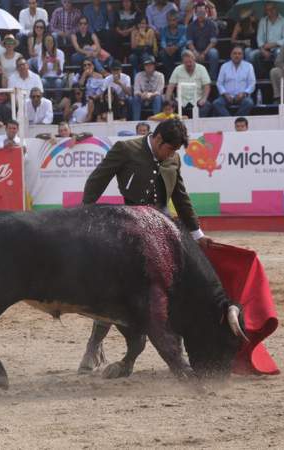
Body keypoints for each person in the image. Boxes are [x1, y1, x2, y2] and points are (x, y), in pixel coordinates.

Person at [76, 118, 214, 373]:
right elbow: (98, 179)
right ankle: (94, 345)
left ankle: (178, 349)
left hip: (163, 228)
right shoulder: (126, 149)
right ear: (158, 139)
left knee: (176, 288)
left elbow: (180, 197)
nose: (171, 154)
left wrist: (197, 233)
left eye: (174, 151)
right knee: (115, 289)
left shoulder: (172, 159)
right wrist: (85, 214)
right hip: (130, 226)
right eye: (169, 149)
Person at [166, 50, 211, 117]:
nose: (188, 64)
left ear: (194, 60)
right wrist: (168, 99)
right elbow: (171, 86)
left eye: (190, 62)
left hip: (197, 99)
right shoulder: (177, 69)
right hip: (181, 100)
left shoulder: (202, 69)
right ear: (182, 62)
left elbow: (207, 85)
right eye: (186, 62)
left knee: (207, 105)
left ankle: (198, 125)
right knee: (170, 106)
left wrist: (204, 99)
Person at [213, 45, 256, 117]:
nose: (237, 55)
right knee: (216, 103)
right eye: (235, 53)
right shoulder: (224, 66)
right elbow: (219, 83)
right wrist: (225, 94)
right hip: (227, 97)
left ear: (243, 55)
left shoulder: (249, 66)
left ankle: (237, 120)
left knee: (249, 103)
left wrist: (244, 93)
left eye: (239, 54)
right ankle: (229, 120)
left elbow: (252, 83)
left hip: (243, 96)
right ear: (231, 55)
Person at [250, 2, 284, 75]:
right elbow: (259, 38)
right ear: (265, 11)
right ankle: (262, 76)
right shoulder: (263, 21)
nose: (270, 11)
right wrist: (262, 50)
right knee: (252, 55)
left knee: (278, 52)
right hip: (264, 48)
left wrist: (273, 44)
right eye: (268, 9)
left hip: (279, 48)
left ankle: (279, 76)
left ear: (276, 9)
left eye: (272, 8)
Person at [185, 2, 219, 80]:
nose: (201, 14)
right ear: (195, 13)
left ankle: (212, 78)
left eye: (203, 12)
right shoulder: (191, 26)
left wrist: (204, 53)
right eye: (199, 12)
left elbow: (213, 41)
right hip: (195, 50)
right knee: (187, 53)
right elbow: (189, 42)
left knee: (214, 53)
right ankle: (192, 78)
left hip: (208, 50)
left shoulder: (211, 24)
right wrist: (195, 53)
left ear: (206, 12)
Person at [131, 56, 166, 121]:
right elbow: (136, 90)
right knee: (135, 98)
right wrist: (142, 94)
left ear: (154, 65)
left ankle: (157, 120)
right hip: (142, 97)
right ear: (143, 66)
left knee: (158, 98)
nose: (149, 66)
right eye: (146, 65)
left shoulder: (160, 75)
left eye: (151, 64)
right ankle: (135, 121)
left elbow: (160, 91)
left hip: (154, 97)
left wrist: (151, 95)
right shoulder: (138, 75)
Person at [159, 10, 187, 79]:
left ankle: (185, 74)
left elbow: (184, 40)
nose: (171, 22)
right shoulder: (164, 29)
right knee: (162, 53)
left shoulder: (183, 28)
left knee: (184, 52)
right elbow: (163, 41)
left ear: (177, 20)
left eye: (173, 20)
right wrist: (166, 48)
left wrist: (176, 47)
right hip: (169, 51)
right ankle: (171, 74)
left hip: (179, 49)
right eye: (169, 20)